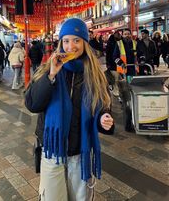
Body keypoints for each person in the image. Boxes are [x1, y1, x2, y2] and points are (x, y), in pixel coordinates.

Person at [25, 18, 114, 201]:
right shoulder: (48, 68)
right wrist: (51, 75)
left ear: (85, 43)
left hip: (80, 151)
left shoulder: (95, 74)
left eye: (76, 40)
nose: (70, 46)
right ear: (60, 43)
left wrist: (104, 119)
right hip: (52, 149)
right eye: (66, 41)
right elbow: (33, 104)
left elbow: (103, 106)